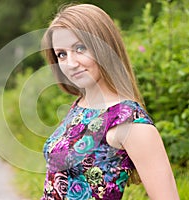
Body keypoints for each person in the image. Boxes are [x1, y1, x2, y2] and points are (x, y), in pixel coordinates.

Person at [40, 3, 179, 200]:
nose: (70, 64)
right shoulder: (81, 105)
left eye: (80, 48)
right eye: (62, 54)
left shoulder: (129, 121)